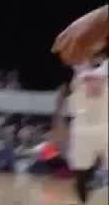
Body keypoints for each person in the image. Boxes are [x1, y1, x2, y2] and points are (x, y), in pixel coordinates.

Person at [54, 48, 107, 204]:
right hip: (84, 129)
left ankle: (97, 179)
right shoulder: (79, 77)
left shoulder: (101, 69)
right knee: (81, 173)